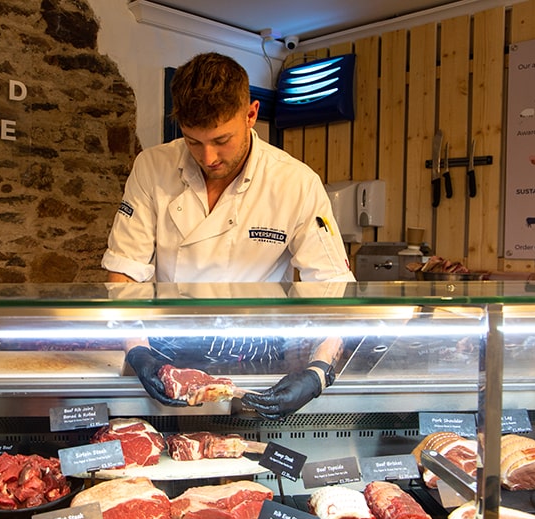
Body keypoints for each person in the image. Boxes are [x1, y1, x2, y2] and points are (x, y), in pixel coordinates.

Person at [102, 52, 356, 419]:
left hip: (259, 360)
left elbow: (333, 286)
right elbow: (125, 272)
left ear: (251, 114)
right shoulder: (152, 168)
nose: (208, 157)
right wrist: (137, 350)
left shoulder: (296, 183)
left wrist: (319, 372)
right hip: (167, 354)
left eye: (222, 140)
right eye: (193, 141)